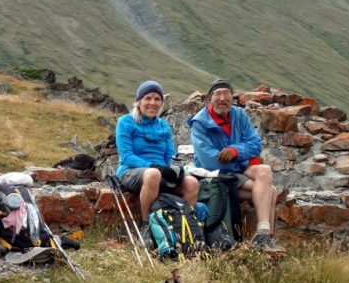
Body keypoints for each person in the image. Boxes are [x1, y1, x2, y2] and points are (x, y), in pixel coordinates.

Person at [188, 79, 285, 254]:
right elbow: (208, 160)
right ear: (210, 99)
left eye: (226, 93)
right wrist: (242, 159)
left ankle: (263, 234)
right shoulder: (200, 123)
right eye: (217, 94)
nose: (222, 98)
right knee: (270, 191)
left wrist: (235, 151)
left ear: (232, 97)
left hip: (237, 166)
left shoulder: (239, 115)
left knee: (265, 170)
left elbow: (255, 144)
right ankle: (266, 238)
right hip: (215, 175)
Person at [115, 81, 199, 239]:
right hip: (130, 171)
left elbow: (170, 156)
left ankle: (185, 227)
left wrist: (176, 168)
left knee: (192, 182)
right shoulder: (125, 122)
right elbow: (126, 155)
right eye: (147, 98)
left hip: (158, 172)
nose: (152, 103)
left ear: (161, 103)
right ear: (139, 101)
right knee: (153, 174)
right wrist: (153, 167)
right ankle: (146, 227)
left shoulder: (164, 126)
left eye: (157, 99)